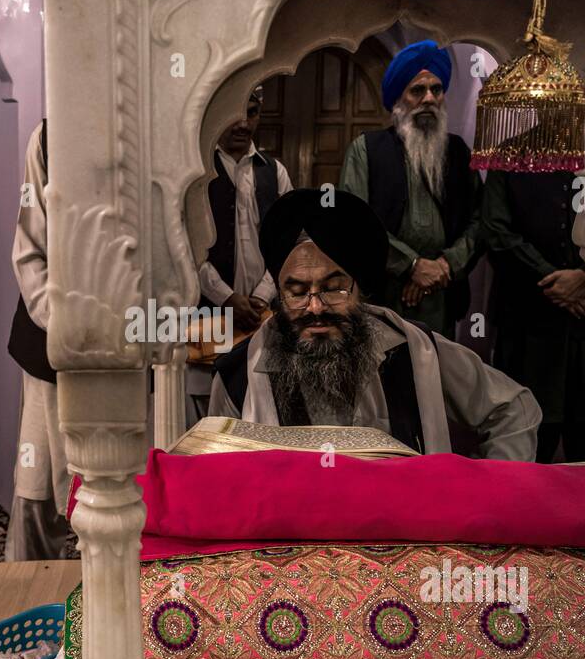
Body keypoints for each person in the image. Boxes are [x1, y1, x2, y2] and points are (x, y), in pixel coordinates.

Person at [209, 188, 539, 459]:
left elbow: (515, 409)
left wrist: (490, 497)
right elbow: (214, 476)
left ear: (360, 289)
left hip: (407, 533)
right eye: (296, 293)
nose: (315, 307)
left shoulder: (414, 350)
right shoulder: (237, 376)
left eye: (333, 288)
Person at [339, 40, 482, 338]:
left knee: (439, 376)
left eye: (436, 89)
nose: (429, 98)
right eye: (417, 90)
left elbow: (481, 221)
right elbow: (354, 222)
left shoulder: (458, 152)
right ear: (398, 100)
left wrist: (444, 265)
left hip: (442, 292)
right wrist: (412, 265)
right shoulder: (366, 149)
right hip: (385, 295)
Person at [191, 86, 292, 418]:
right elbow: (187, 246)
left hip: (261, 317)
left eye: (251, 113)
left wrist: (263, 295)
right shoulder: (197, 174)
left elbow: (287, 242)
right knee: (207, 416)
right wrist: (226, 297)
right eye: (234, 114)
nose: (242, 124)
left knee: (257, 410)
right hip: (210, 318)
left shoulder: (273, 172)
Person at [482, 168, 585, 462]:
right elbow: (496, 232)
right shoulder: (510, 159)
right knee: (526, 433)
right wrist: (554, 280)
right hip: (525, 321)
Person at [6, 120, 74, 561]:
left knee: (115, 494)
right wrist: (66, 326)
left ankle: (111, 612)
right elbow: (30, 245)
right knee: (34, 492)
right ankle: (27, 603)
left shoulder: (148, 130)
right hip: (50, 344)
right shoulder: (50, 135)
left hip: (127, 349)